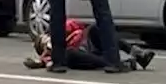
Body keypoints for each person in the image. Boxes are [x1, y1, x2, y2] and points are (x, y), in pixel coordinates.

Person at [24, 19, 155, 71]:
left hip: (89, 43)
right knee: (69, 54)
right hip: (84, 56)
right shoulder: (51, 54)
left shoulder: (62, 29)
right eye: (42, 44)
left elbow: (78, 25)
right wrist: (49, 51)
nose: (45, 41)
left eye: (44, 38)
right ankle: (117, 63)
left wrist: (58, 33)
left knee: (95, 29)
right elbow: (44, 63)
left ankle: (136, 53)